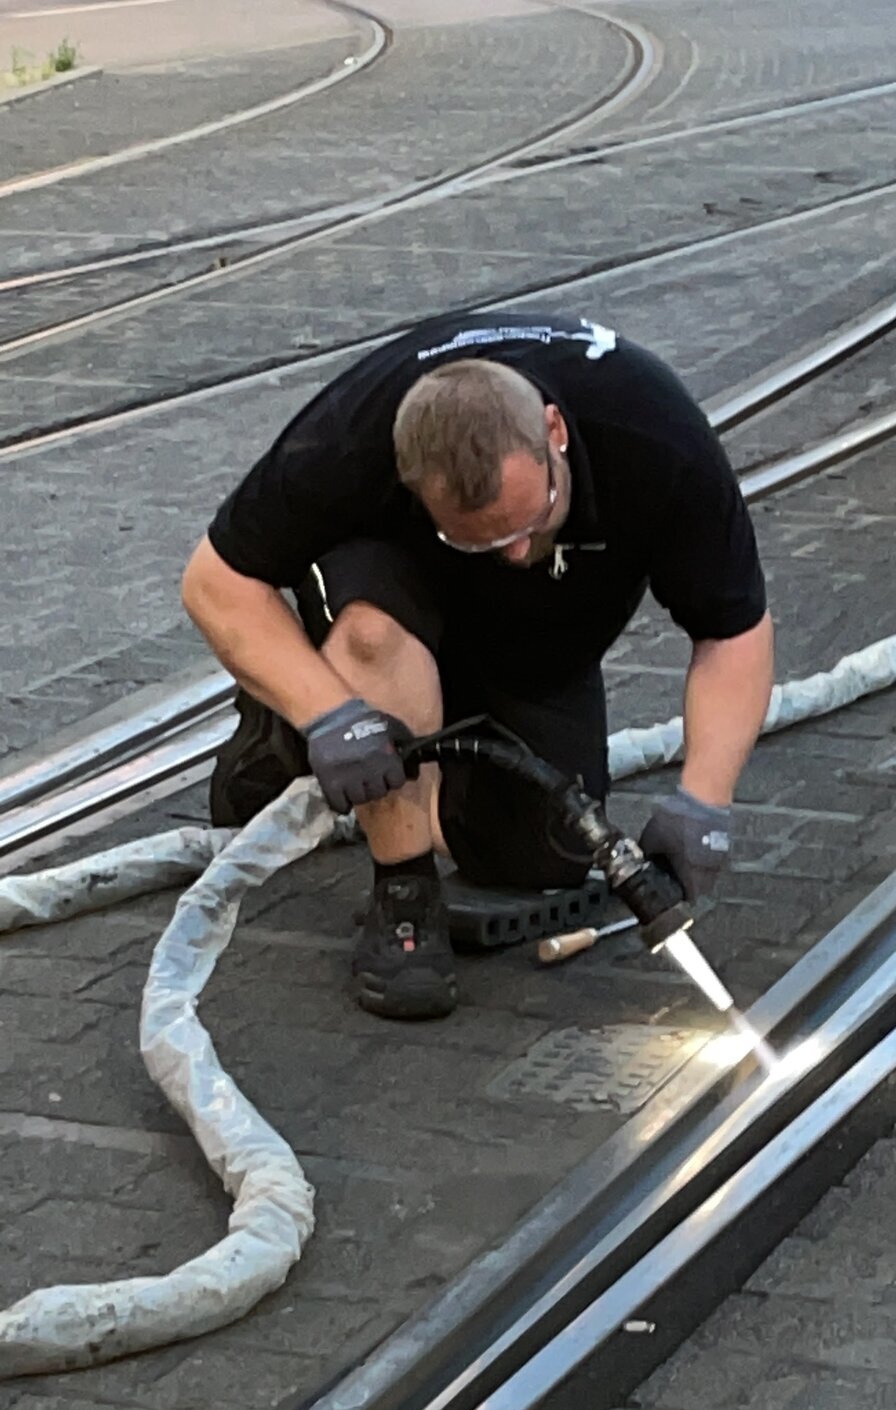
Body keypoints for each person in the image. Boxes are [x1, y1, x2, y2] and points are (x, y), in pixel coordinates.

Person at [182, 310, 774, 1021]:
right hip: (394, 608)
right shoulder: (351, 436)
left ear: (554, 432)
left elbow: (731, 630)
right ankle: (398, 889)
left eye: (531, 523)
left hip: (541, 638)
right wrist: (331, 715)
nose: (515, 555)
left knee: (539, 860)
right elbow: (215, 582)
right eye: (478, 540)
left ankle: (413, 750)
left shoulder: (654, 435)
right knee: (372, 640)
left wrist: (703, 799)